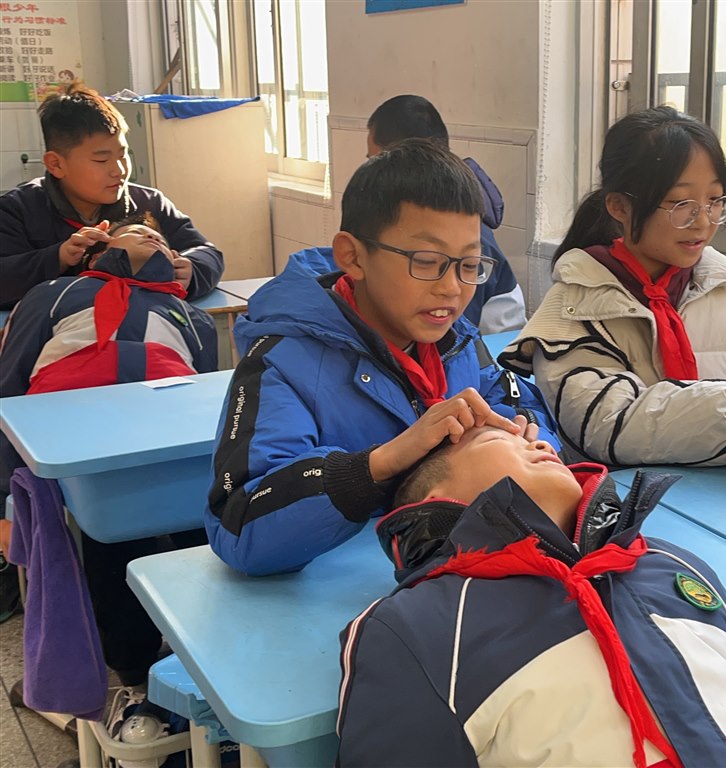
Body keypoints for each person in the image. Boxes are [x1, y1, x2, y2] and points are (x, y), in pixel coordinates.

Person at [335, 425, 726, 768]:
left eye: (535, 437)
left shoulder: (670, 563)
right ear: (437, 497)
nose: (537, 441)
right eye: (498, 438)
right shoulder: (417, 626)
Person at [205, 139, 559, 577]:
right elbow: (238, 523)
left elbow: (517, 400)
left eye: (469, 266)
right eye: (426, 261)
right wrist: (380, 465)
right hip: (341, 595)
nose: (452, 288)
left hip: (452, 577)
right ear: (353, 257)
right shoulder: (282, 364)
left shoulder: (456, 339)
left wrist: (528, 434)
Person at [499, 106, 726, 466]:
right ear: (620, 207)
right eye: (681, 204)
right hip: (631, 495)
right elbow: (610, 424)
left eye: (715, 201)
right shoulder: (575, 307)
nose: (703, 222)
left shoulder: (719, 284)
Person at [0, 211, 217, 735]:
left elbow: (207, 394)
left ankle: (201, 657)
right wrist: (6, 491)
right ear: (99, 248)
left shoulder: (191, 315)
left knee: (201, 543)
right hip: (83, 451)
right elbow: (9, 387)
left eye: (159, 238)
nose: (151, 236)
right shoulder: (53, 294)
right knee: (111, 542)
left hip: (170, 443)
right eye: (137, 232)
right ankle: (135, 669)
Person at [0, 80, 224, 310]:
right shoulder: (17, 210)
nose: (119, 170)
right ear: (56, 164)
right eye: (101, 160)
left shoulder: (149, 203)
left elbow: (206, 252)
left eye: (123, 155)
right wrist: (58, 257)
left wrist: (192, 270)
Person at [367, 94, 526, 333]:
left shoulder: (464, 234)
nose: (371, 176)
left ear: (401, 159)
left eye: (375, 162)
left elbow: (451, 335)